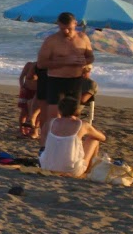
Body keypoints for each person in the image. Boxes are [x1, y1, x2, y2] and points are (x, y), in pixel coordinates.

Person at [35, 12, 94, 144]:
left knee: (73, 116)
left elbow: (91, 57)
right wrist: (65, 61)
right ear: (58, 25)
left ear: (75, 24)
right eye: (62, 28)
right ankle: (46, 144)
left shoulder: (83, 38)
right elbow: (41, 64)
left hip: (75, 80)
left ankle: (68, 143)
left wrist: (84, 62)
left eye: (69, 28)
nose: (66, 31)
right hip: (56, 80)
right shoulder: (51, 41)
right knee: (53, 117)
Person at [39, 95, 105, 177]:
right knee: (94, 140)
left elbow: (43, 139)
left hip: (46, 166)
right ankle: (88, 171)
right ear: (78, 110)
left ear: (60, 110)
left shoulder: (50, 122)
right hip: (71, 171)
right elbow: (103, 138)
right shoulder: (83, 125)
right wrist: (91, 129)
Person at [17, 60, 40, 137]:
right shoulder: (29, 65)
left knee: (36, 113)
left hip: (37, 92)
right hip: (26, 90)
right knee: (24, 112)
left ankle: (34, 131)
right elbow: (21, 77)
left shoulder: (44, 68)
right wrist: (22, 86)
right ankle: (21, 130)